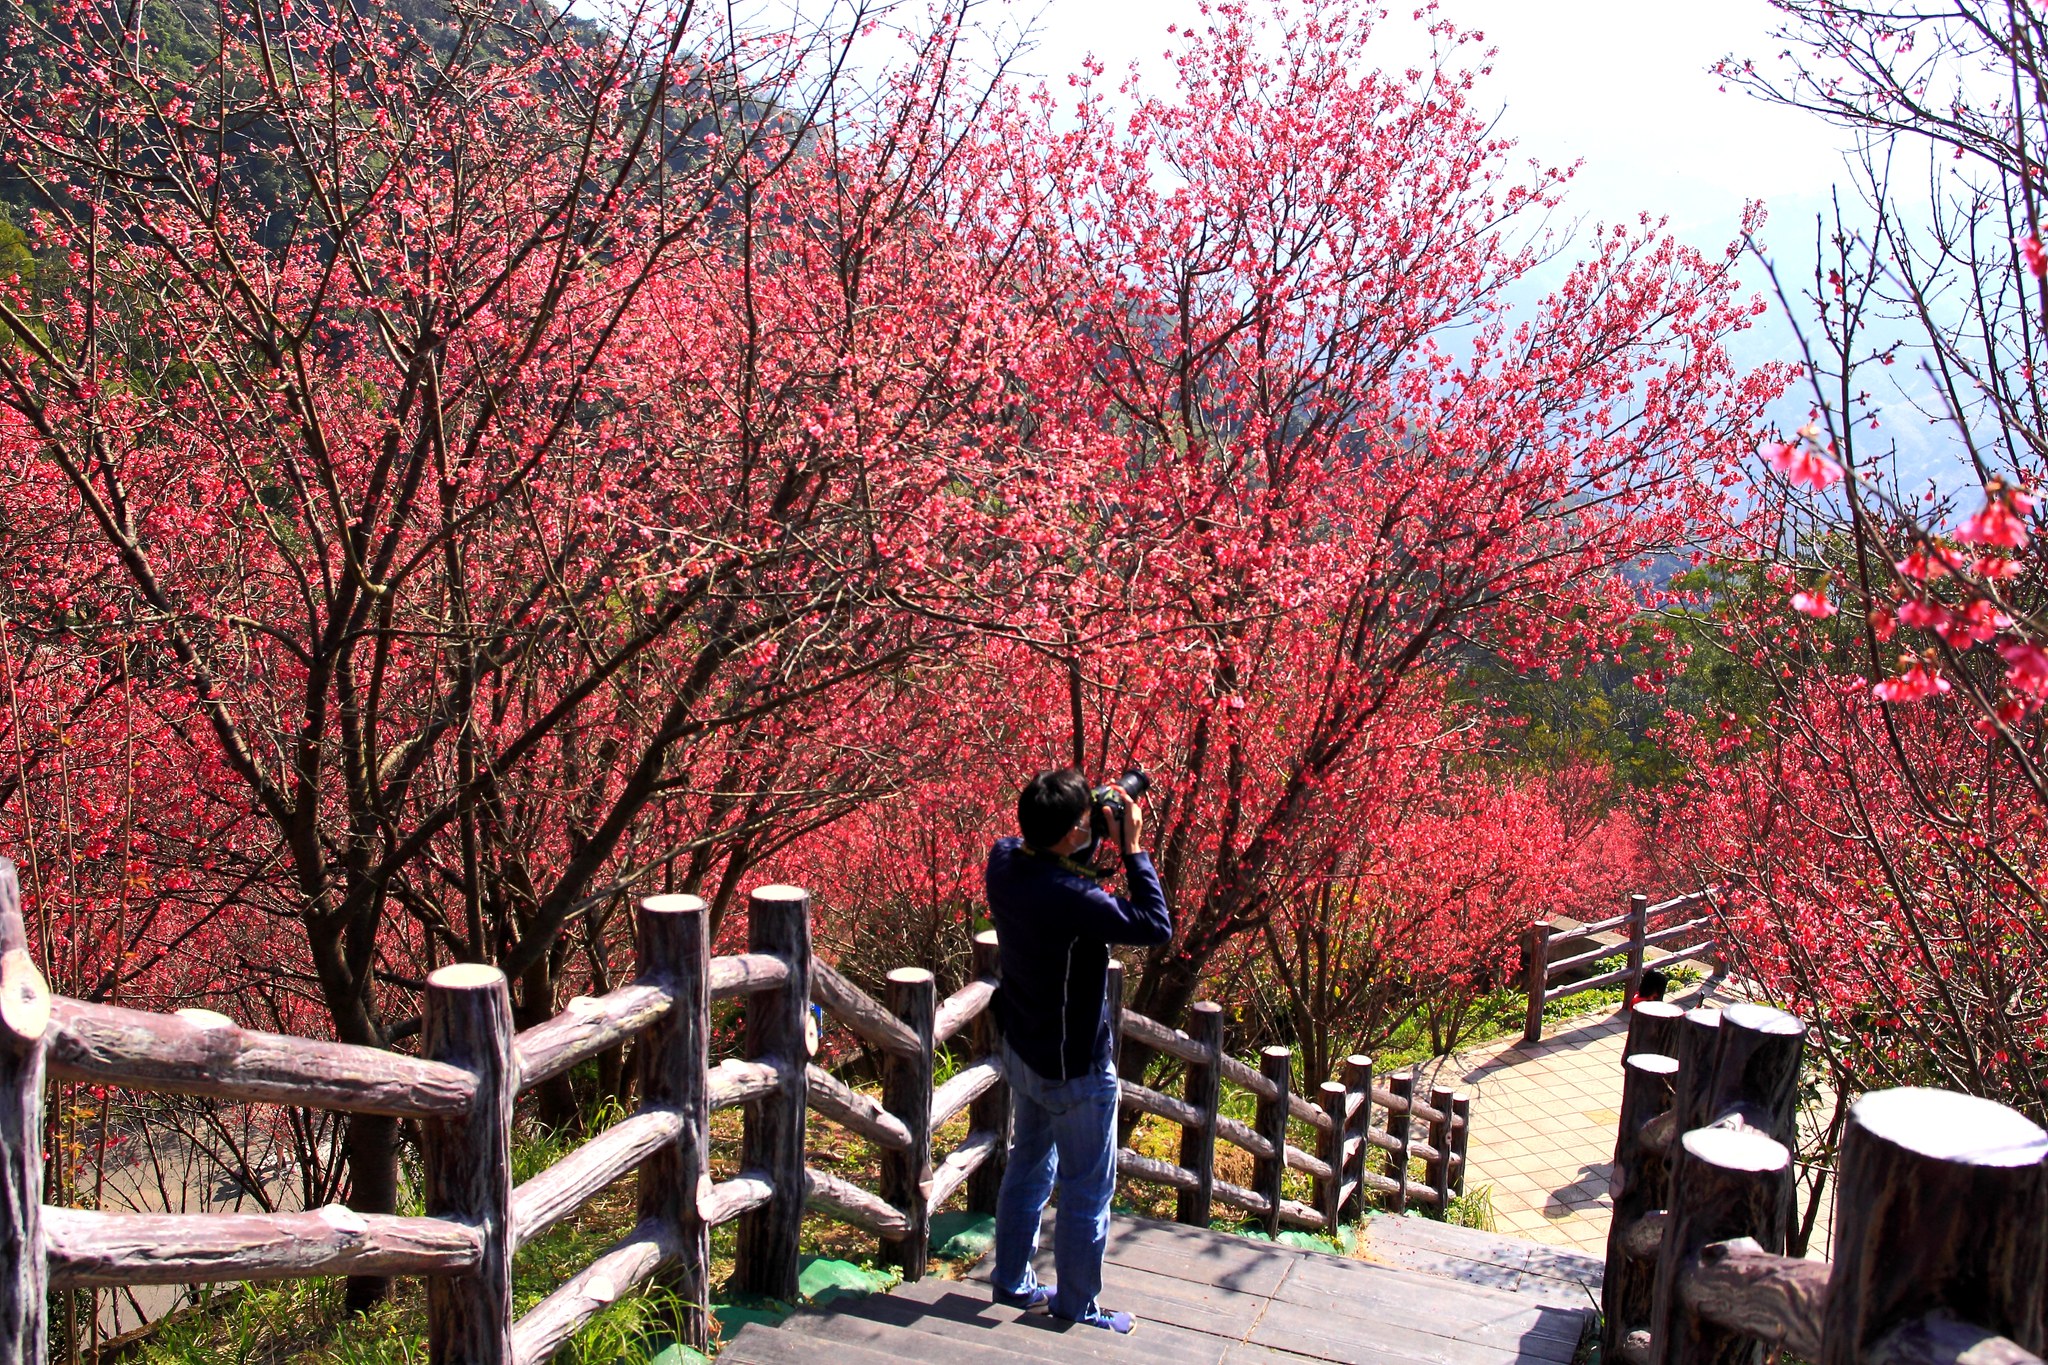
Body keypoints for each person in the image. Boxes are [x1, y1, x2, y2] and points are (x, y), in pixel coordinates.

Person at [984, 767, 1172, 1335]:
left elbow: (1040, 853)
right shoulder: (1072, 897)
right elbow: (1154, 924)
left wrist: (1081, 820)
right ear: (1070, 835)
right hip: (1076, 1072)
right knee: (1087, 1189)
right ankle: (1074, 1307)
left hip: (1025, 1051)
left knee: (1027, 1165)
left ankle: (1013, 1280)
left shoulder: (1004, 860)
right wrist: (1133, 847)